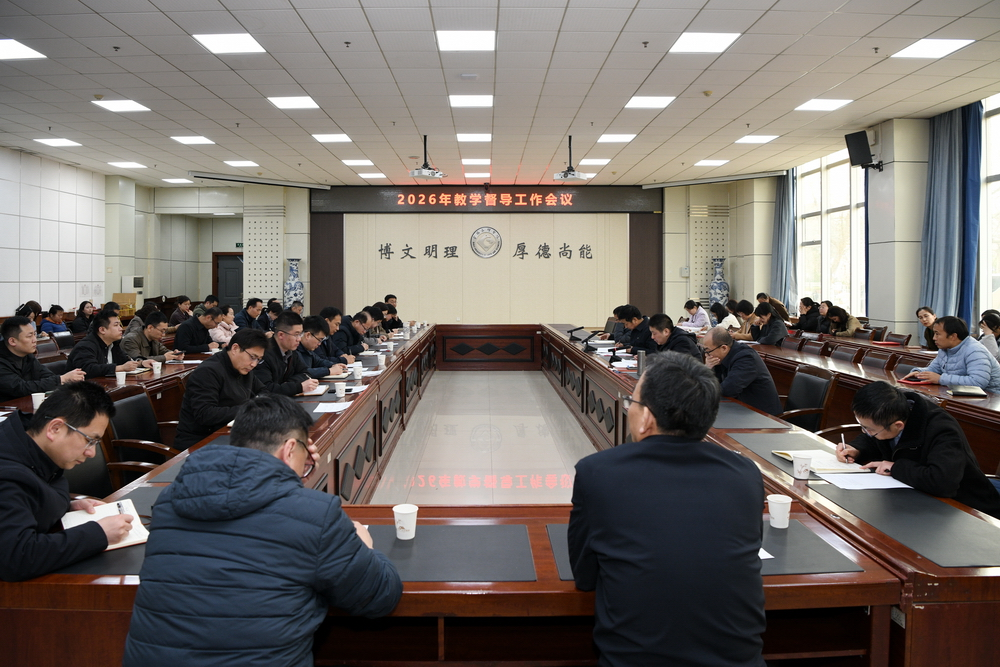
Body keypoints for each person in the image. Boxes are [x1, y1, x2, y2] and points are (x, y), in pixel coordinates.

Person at [123, 395, 402, 666]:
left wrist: (291, 479)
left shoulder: (169, 501)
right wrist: (365, 547)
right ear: (289, 449)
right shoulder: (318, 515)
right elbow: (379, 596)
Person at [568, 352, 766, 666]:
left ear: (647, 418)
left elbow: (585, 576)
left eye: (631, 402)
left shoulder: (598, 472)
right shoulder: (745, 474)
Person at [0, 381, 134, 582]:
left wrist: (66, 506)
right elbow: (17, 558)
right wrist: (99, 534)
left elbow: (28, 498)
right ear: (55, 428)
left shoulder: (31, 445)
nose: (91, 453)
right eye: (89, 440)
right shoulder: (7, 474)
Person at [836, 381, 1000, 518]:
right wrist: (856, 448)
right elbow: (876, 437)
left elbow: (943, 482)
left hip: (968, 510)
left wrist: (896, 467)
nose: (866, 432)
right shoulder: (890, 414)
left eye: (868, 429)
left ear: (898, 425)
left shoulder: (942, 429)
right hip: (915, 499)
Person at [172, 328, 268, 450]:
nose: (254, 364)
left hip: (230, 433)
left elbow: (263, 391)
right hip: (201, 442)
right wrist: (248, 409)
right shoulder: (208, 372)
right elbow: (205, 414)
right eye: (252, 357)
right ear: (235, 348)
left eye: (258, 359)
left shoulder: (244, 368)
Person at [904, 316, 1000, 393]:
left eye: (937, 334)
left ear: (953, 336)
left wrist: (940, 379)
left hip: (991, 398)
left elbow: (978, 382)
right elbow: (934, 369)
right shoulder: (945, 348)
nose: (934, 338)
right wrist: (919, 373)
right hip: (962, 394)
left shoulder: (975, 351)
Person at [0, 316, 86, 400]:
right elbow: (19, 388)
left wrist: (61, 380)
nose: (35, 340)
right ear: (12, 341)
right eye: (29, 336)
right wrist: (61, 379)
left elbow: (45, 374)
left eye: (34, 334)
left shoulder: (28, 356)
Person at [703, 326, 782, 415]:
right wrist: (707, 369)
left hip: (762, 415)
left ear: (724, 348)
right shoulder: (721, 357)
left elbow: (727, 390)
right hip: (740, 409)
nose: (706, 355)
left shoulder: (746, 358)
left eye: (708, 351)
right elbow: (716, 384)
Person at [254, 311, 319, 397]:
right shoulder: (263, 354)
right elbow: (266, 389)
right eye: (296, 334)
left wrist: (288, 384)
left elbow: (305, 374)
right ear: (281, 335)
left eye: (300, 334)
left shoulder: (292, 351)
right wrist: (297, 387)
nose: (299, 339)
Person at [66, 312, 145, 378]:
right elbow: (88, 369)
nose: (121, 328)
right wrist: (120, 368)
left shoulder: (114, 344)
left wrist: (141, 363)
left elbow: (125, 361)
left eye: (119, 325)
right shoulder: (85, 346)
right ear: (102, 330)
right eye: (116, 325)